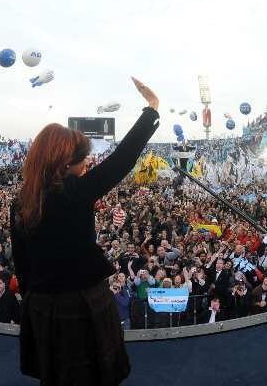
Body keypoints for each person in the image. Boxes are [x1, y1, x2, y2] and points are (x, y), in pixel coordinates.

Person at [11, 77, 160, 385]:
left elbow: (21, 262)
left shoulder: (21, 201)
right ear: (66, 163)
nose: (88, 163)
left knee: (55, 376)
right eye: (83, 159)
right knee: (92, 374)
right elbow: (122, 159)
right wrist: (152, 109)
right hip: (81, 303)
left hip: (41, 305)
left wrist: (34, 300)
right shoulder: (75, 191)